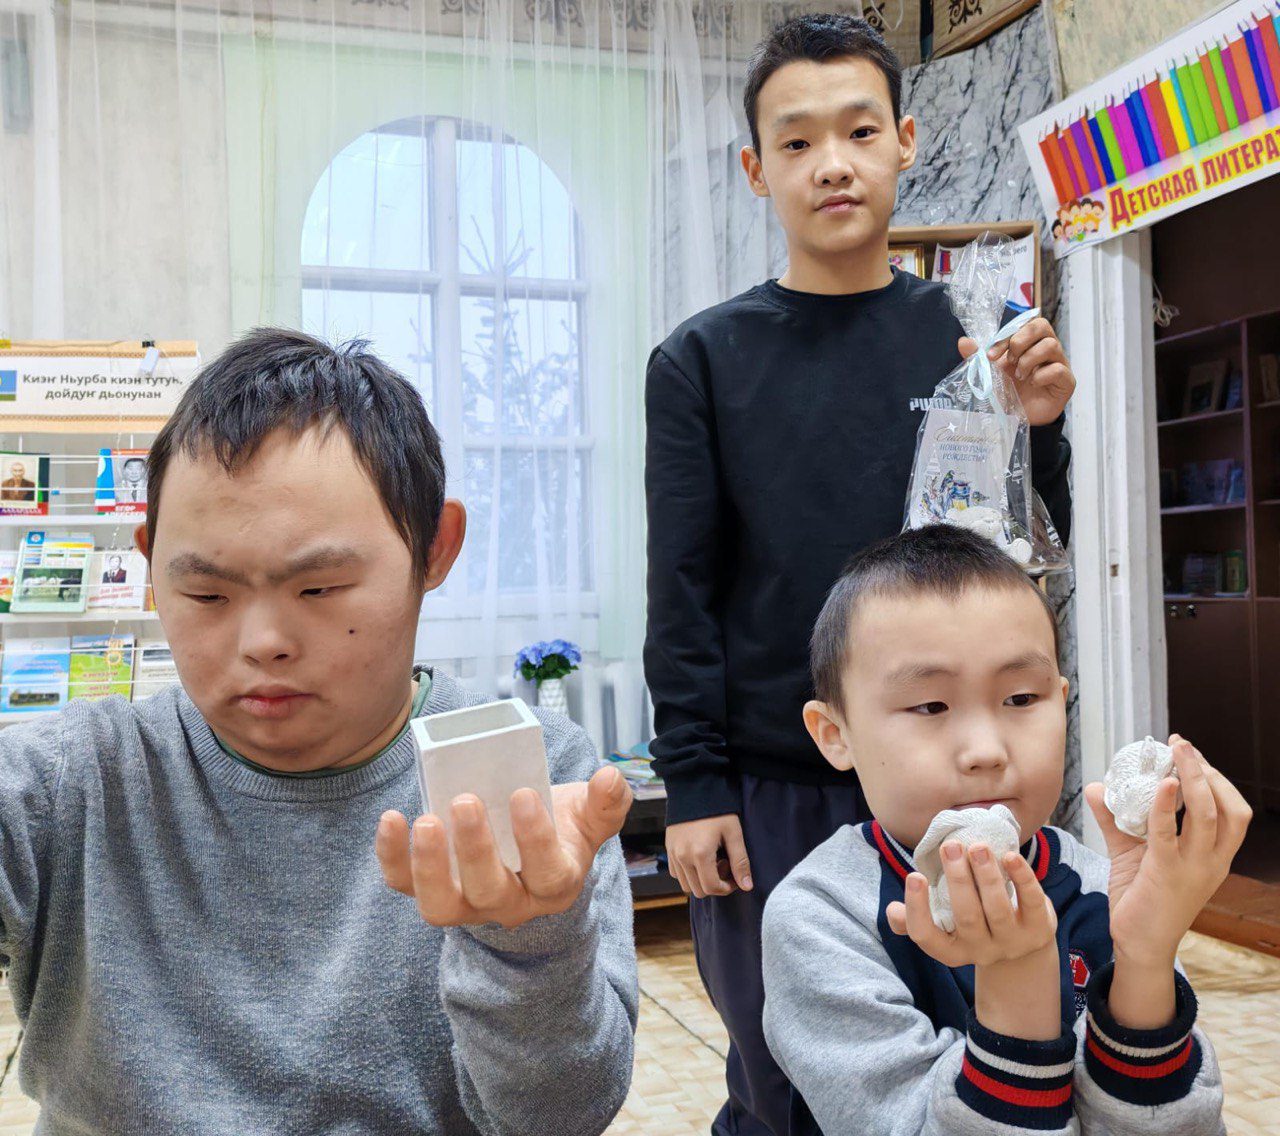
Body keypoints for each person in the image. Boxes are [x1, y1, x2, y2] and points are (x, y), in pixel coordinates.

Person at [0, 328, 638, 1134]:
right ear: (152, 561)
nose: (263, 642)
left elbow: (561, 1117)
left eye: (321, 587)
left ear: (434, 549)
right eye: (206, 595)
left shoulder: (524, 771)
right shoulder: (67, 784)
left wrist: (529, 944)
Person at [643, 14, 1076, 1134]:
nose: (830, 163)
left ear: (904, 142)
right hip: (776, 783)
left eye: (858, 130)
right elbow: (680, 587)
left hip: (954, 763)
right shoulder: (699, 359)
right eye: (795, 142)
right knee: (780, 1074)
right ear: (756, 169)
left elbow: (1017, 557)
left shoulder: (971, 334)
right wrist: (695, 787)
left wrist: (1040, 431)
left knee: (983, 1044)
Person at [761, 526, 1245, 1135]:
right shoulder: (823, 918)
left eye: (1020, 699)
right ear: (836, 735)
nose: (986, 751)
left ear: (1062, 701)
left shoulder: (1103, 889)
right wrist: (1017, 973)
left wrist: (1145, 962)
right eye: (930, 706)